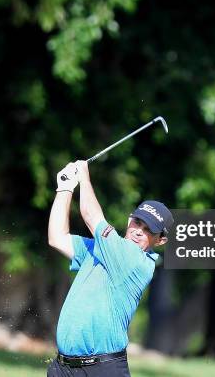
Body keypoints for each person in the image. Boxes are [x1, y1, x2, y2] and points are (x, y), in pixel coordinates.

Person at [47, 160, 174, 377]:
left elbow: (90, 215)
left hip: (101, 370)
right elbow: (57, 238)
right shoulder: (101, 249)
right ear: (128, 221)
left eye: (148, 230)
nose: (138, 232)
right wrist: (65, 189)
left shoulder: (135, 261)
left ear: (160, 241)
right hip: (63, 368)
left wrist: (83, 177)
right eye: (137, 223)